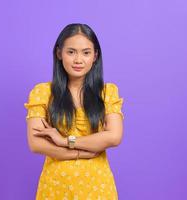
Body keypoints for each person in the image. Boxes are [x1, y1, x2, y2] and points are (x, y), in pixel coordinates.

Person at [24, 23, 124, 200]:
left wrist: (64, 141)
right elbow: (36, 144)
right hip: (56, 187)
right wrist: (83, 152)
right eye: (71, 52)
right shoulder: (43, 93)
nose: (78, 60)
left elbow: (113, 137)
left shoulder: (107, 92)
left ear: (95, 56)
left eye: (86, 53)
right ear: (59, 53)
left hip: (98, 188)